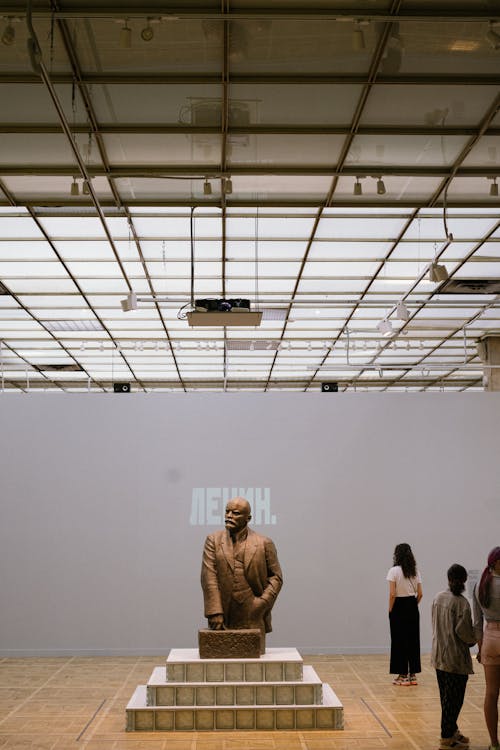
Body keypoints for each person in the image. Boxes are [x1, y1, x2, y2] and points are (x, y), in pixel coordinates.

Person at [201, 496, 283, 654]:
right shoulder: (213, 540)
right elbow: (208, 576)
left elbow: (276, 577)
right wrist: (215, 611)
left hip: (253, 609)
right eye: (227, 512)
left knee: (253, 655)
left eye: (235, 513)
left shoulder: (264, 543)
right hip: (224, 609)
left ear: (248, 518)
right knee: (221, 655)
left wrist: (262, 603)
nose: (229, 516)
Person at [431, 564, 477, 749]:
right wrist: (476, 637)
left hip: (439, 657)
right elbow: (465, 635)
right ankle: (446, 736)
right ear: (464, 581)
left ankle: (452, 730)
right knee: (454, 700)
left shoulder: (437, 598)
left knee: (446, 699)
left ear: (448, 578)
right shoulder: (462, 604)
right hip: (455, 660)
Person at [473, 546, 500, 750]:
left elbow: (477, 623)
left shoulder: (479, 585)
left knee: (491, 694)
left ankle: (494, 743)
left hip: (490, 639)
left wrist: (480, 648)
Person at [387, 542, 423, 685]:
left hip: (398, 607)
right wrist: (413, 605)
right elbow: (420, 594)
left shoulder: (393, 571)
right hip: (412, 606)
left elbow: (392, 594)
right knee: (413, 640)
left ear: (397, 555)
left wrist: (391, 609)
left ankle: (402, 676)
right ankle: (413, 675)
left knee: (398, 641)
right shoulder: (415, 571)